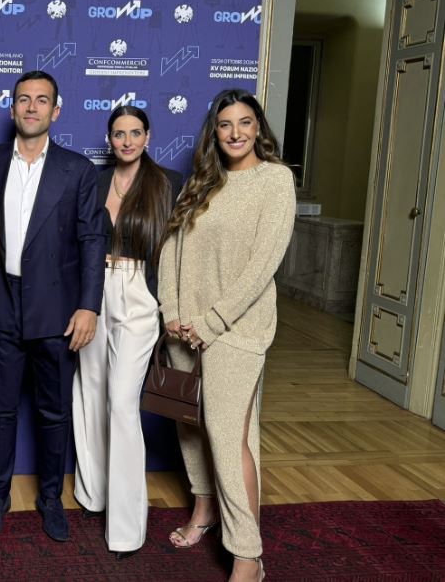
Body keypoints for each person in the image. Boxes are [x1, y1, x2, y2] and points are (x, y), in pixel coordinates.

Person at [157, 88, 295, 582]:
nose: (235, 133)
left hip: (237, 329)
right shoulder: (202, 181)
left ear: (259, 127)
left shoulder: (275, 180)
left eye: (245, 122)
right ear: (214, 133)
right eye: (225, 124)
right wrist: (172, 311)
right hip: (185, 328)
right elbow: (171, 247)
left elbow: (263, 265)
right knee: (190, 425)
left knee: (227, 435)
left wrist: (213, 322)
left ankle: (247, 556)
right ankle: (203, 510)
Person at [0, 71, 105, 542]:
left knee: (54, 413)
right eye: (23, 99)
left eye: (41, 100)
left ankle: (50, 497)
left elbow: (92, 239)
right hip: (1, 303)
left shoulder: (78, 170)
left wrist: (89, 306)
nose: (31, 107)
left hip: (57, 309)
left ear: (56, 110)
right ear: (12, 107)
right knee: (0, 411)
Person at [72, 106, 183, 559]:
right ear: (109, 138)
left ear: (148, 136)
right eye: (119, 134)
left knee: (121, 402)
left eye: (135, 132)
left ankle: (125, 527)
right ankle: (94, 494)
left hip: (139, 294)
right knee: (90, 391)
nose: (127, 141)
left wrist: (172, 305)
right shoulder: (95, 181)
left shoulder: (168, 182)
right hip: (94, 289)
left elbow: (178, 251)